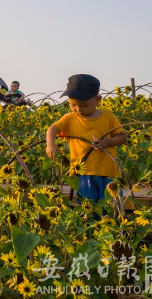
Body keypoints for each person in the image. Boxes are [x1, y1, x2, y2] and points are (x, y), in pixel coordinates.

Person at [46, 74, 127, 206]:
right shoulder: (69, 119)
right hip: (82, 173)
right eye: (73, 105)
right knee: (88, 208)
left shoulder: (108, 117)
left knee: (113, 207)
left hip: (108, 172)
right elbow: (52, 129)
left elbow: (123, 137)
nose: (78, 109)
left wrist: (108, 142)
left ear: (97, 100)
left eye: (84, 105)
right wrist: (50, 145)